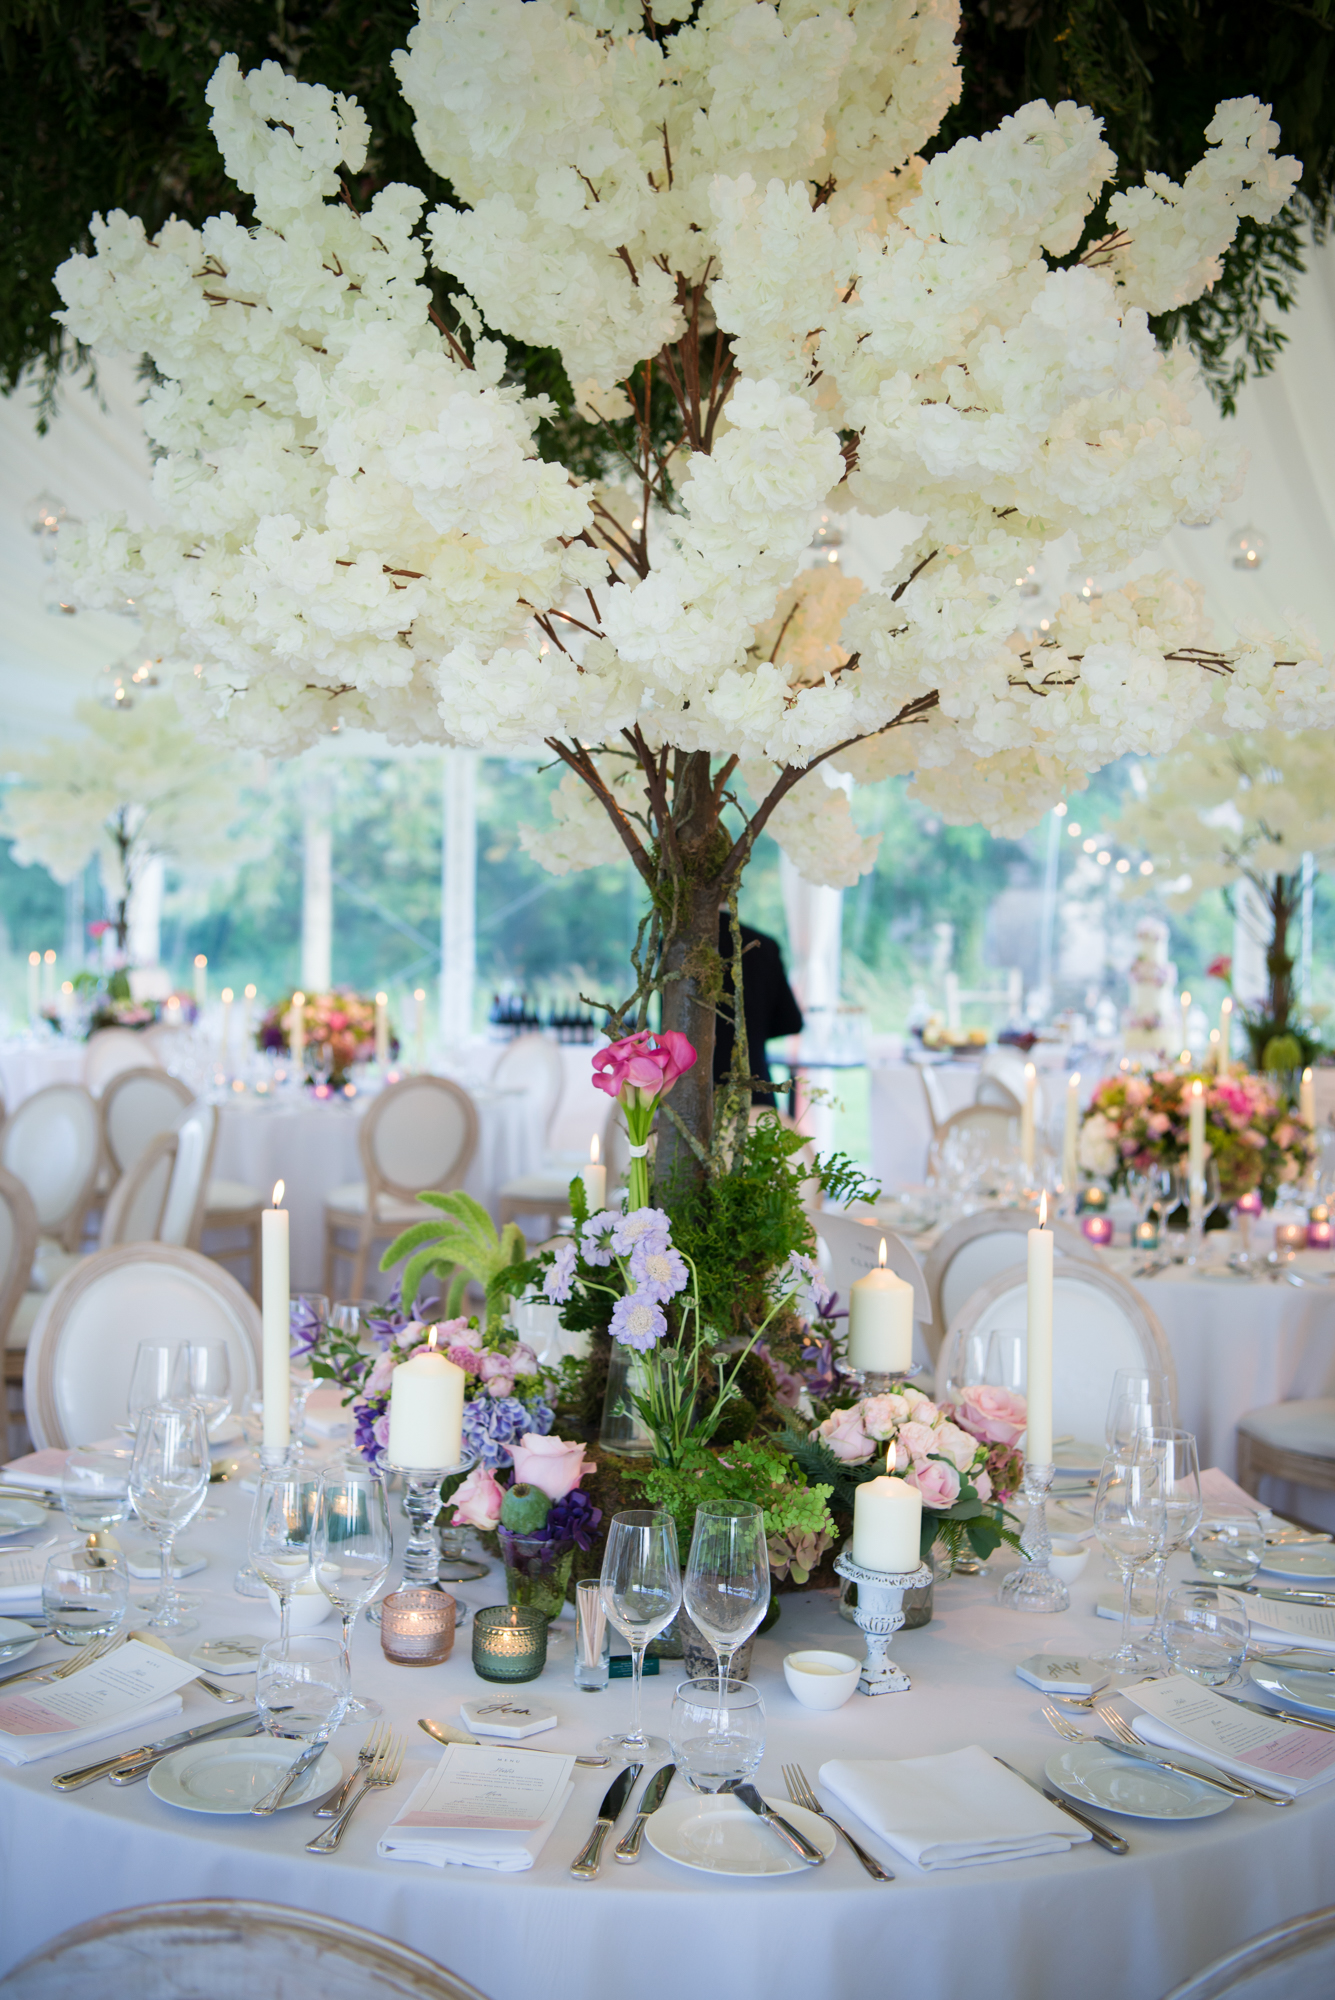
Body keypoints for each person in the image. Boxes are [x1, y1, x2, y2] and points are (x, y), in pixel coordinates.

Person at [713, 912, 803, 1109]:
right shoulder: (764, 944)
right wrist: (753, 1030)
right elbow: (791, 1021)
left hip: (691, 1093)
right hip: (754, 1086)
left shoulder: (675, 946)